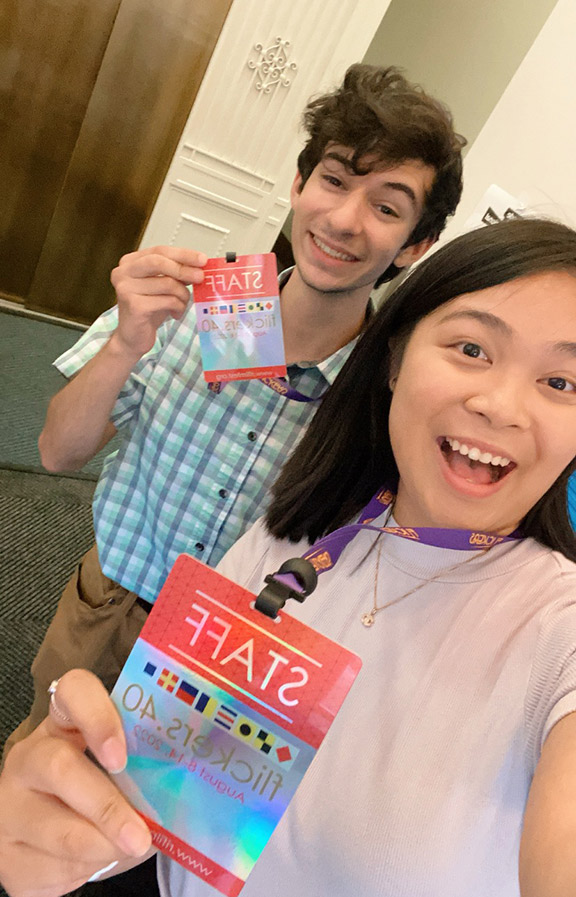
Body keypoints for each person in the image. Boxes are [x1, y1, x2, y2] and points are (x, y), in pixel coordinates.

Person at [2, 216, 576, 897]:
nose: (500, 404)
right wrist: (66, 832)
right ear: (393, 357)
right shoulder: (290, 535)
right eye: (472, 348)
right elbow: (172, 800)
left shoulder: (557, 626)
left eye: (563, 383)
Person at [3, 64, 465, 755]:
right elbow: (56, 454)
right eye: (334, 180)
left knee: (162, 841)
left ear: (415, 247)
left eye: (387, 207)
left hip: (234, 659)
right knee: (38, 777)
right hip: (110, 604)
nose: (344, 219)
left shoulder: (387, 395)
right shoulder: (194, 304)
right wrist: (127, 343)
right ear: (299, 187)